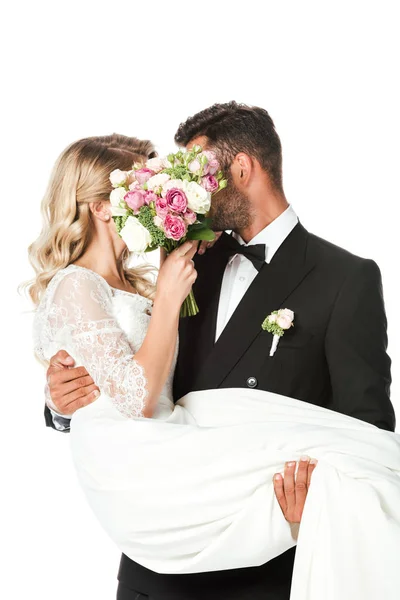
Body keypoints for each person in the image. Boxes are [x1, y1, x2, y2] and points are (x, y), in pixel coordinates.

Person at [42, 104, 395, 600]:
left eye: (200, 172)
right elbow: (130, 378)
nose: (190, 190)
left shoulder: (346, 279)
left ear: (243, 169)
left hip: (262, 566)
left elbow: (367, 433)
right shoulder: (185, 264)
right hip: (157, 570)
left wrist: (319, 500)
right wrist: (63, 404)